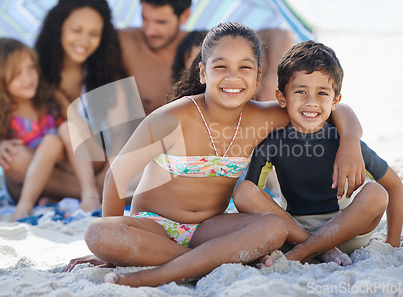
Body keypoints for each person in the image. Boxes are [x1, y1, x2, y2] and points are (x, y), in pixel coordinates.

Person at [64, 23, 366, 287]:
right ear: (203, 72)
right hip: (154, 226)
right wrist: (107, 252)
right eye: (221, 66)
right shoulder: (171, 119)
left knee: (272, 227)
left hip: (211, 228)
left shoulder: (263, 117)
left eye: (245, 68)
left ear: (259, 75)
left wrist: (350, 142)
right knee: (97, 233)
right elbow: (117, 176)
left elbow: (335, 110)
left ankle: (191, 262)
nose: (232, 77)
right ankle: (205, 263)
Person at [233, 41, 403, 266]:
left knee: (376, 193)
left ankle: (304, 252)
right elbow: (251, 199)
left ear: (335, 101)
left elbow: (394, 186)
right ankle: (315, 248)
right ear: (281, 97)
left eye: (322, 93)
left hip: (347, 234)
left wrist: (392, 243)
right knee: (244, 191)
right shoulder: (272, 144)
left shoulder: (344, 143)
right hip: (294, 232)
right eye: (301, 91)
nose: (311, 102)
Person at [0, 0, 126, 198]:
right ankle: (97, 193)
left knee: (69, 130)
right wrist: (0, 143)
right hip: (45, 163)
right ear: (59, 29)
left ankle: (92, 190)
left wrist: (112, 170)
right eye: (76, 30)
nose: (84, 40)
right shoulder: (32, 72)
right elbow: (4, 114)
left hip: (92, 165)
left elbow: (122, 132)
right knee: (15, 160)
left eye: (94, 34)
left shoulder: (106, 75)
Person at [119, 0, 294, 115]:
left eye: (161, 22)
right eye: (144, 19)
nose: (149, 30)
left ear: (185, 16)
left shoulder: (202, 43)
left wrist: (273, 79)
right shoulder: (127, 42)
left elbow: (282, 34)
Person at [0, 38, 101, 220]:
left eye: (30, 68)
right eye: (17, 73)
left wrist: (71, 122)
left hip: (67, 167)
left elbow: (80, 132)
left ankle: (88, 194)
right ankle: (30, 203)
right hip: (27, 184)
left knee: (67, 129)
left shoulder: (52, 98)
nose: (28, 78)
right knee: (13, 155)